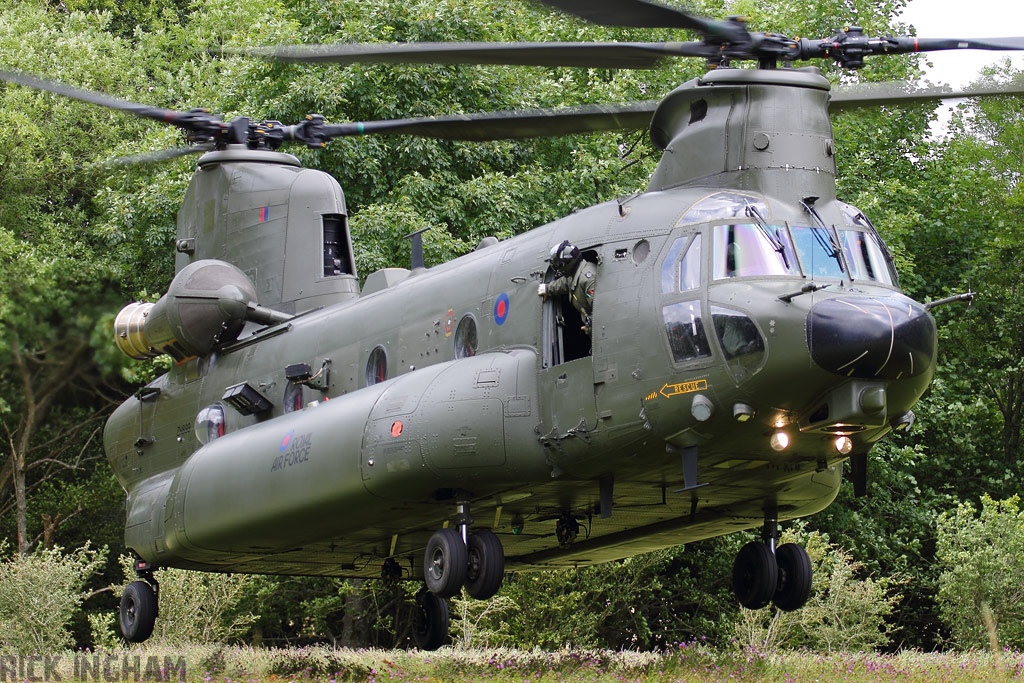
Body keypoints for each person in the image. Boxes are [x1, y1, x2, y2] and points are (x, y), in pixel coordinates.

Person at [538, 240, 597, 334]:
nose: (559, 269)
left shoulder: (588, 279)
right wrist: (548, 288)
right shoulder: (576, 272)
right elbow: (565, 283)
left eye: (560, 265)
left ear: (567, 263)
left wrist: (593, 327)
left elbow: (599, 309)